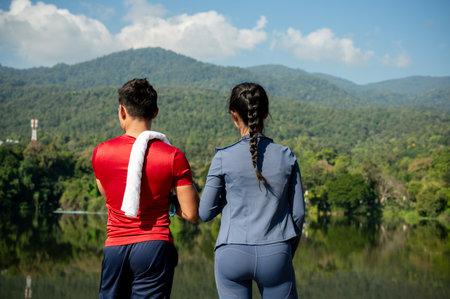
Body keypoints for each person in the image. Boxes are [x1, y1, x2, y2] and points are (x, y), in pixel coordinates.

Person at [92, 78, 199, 299]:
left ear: (122, 111)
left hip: (115, 247)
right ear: (155, 112)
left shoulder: (100, 152)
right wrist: (168, 202)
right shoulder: (173, 156)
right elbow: (192, 213)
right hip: (154, 246)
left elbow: (108, 195)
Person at [199, 82, 305, 299]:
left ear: (234, 116)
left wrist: (228, 198)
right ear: (265, 114)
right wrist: (284, 252)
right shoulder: (287, 156)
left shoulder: (222, 158)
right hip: (276, 252)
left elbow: (205, 213)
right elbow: (298, 214)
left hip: (231, 253)